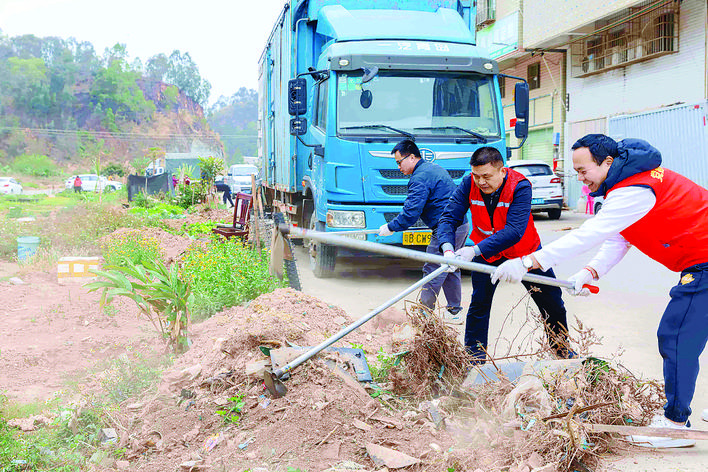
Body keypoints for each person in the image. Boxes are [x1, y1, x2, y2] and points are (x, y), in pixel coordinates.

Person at [491, 134, 708, 448]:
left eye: (584, 171)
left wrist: (529, 261)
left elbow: (593, 232)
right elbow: (621, 236)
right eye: (576, 172)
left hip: (704, 263)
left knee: (675, 336)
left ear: (608, 163)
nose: (580, 179)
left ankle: (674, 424)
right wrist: (590, 271)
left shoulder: (634, 189)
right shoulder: (631, 183)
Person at [437, 146, 573, 361]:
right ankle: (474, 357)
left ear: (502, 171)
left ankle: (562, 351)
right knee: (479, 303)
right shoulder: (468, 183)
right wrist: (447, 248)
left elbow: (514, 230)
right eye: (476, 175)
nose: (481, 182)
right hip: (487, 252)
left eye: (486, 176)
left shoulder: (520, 186)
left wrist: (473, 251)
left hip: (524, 253)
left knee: (552, 302)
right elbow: (448, 218)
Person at [378, 139, 469, 322]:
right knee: (449, 266)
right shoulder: (433, 168)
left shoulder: (419, 178)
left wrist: (391, 227)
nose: (398, 168)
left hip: (447, 229)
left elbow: (411, 213)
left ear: (412, 157)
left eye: (399, 162)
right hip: (460, 224)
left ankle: (423, 313)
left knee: (433, 267)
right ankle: (454, 312)